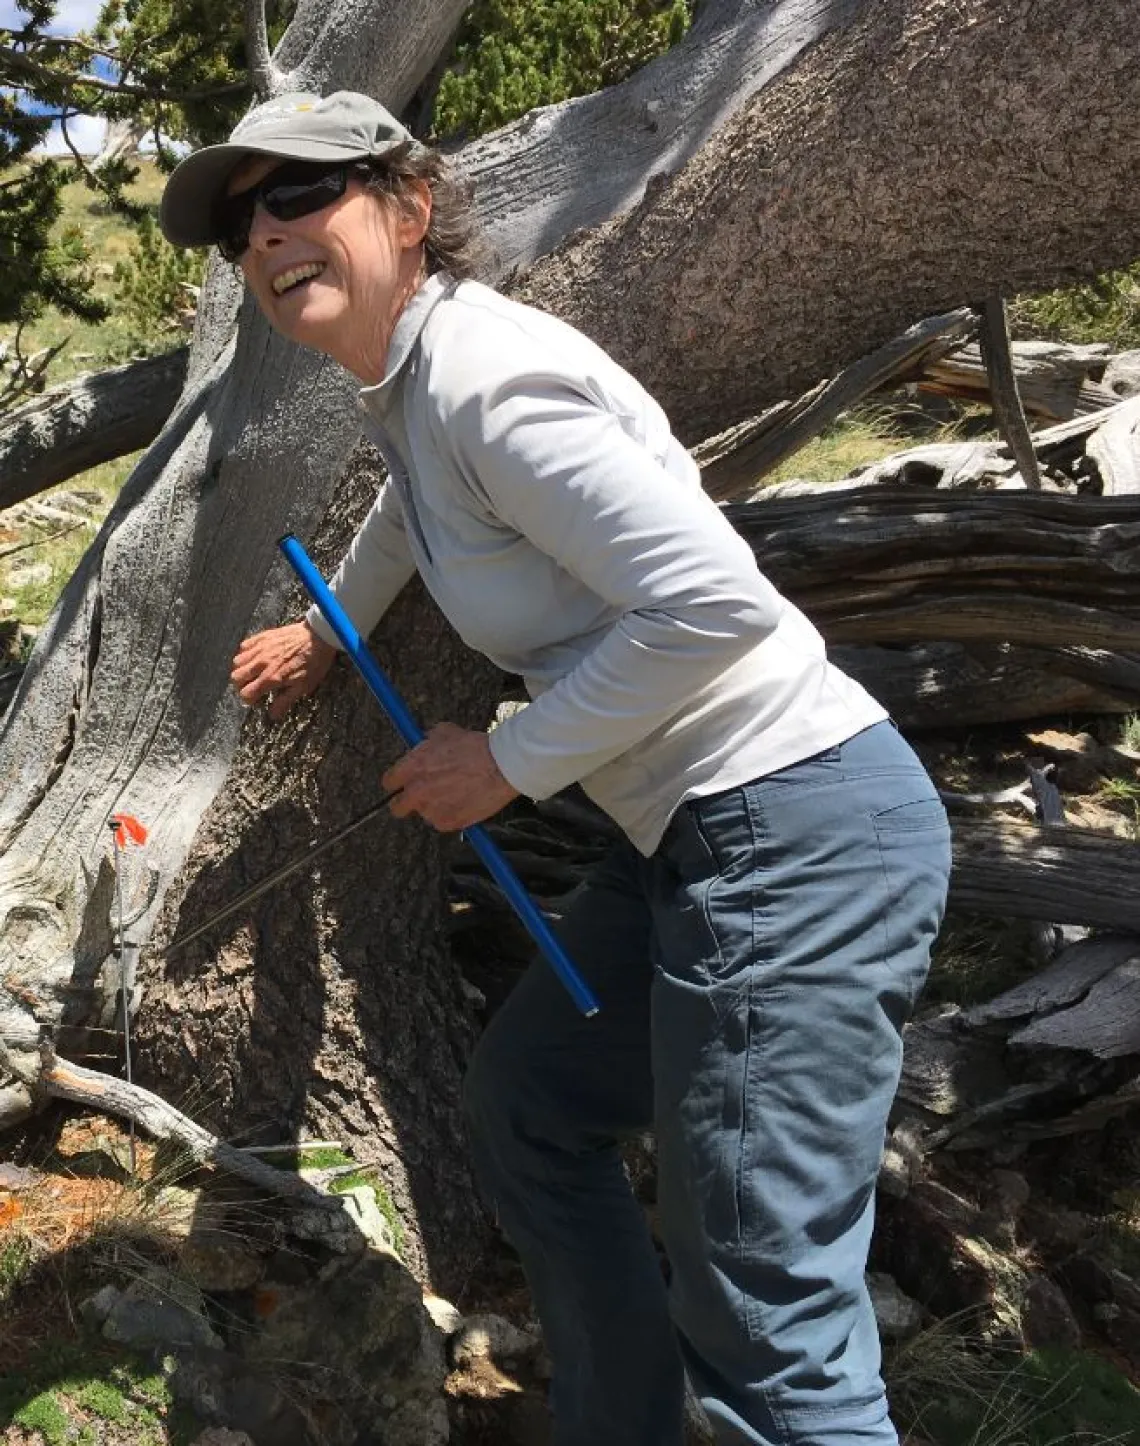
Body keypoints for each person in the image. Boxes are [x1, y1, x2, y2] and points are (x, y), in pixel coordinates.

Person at [160, 90, 952, 1446]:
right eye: (241, 220)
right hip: (700, 843)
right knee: (530, 1106)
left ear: (407, 207)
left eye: (300, 194)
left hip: (795, 834)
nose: (266, 231)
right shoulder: (412, 384)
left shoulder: (483, 375)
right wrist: (324, 629)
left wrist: (508, 761)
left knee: (767, 1316)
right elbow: (420, 512)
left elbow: (716, 605)